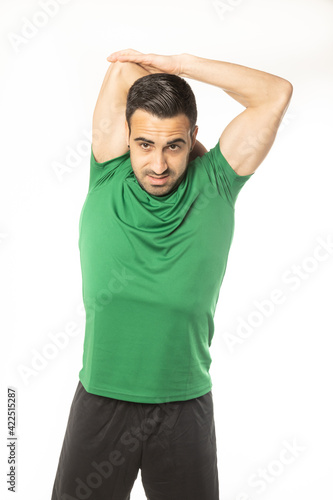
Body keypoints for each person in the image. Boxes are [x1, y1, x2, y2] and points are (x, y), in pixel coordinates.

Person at [51, 49, 292, 500]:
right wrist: (166, 92)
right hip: (101, 401)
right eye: (144, 144)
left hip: (185, 408)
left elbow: (275, 94)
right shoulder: (107, 169)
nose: (157, 165)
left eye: (173, 145)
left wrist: (180, 65)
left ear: (193, 136)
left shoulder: (218, 182)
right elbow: (121, 69)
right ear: (127, 135)